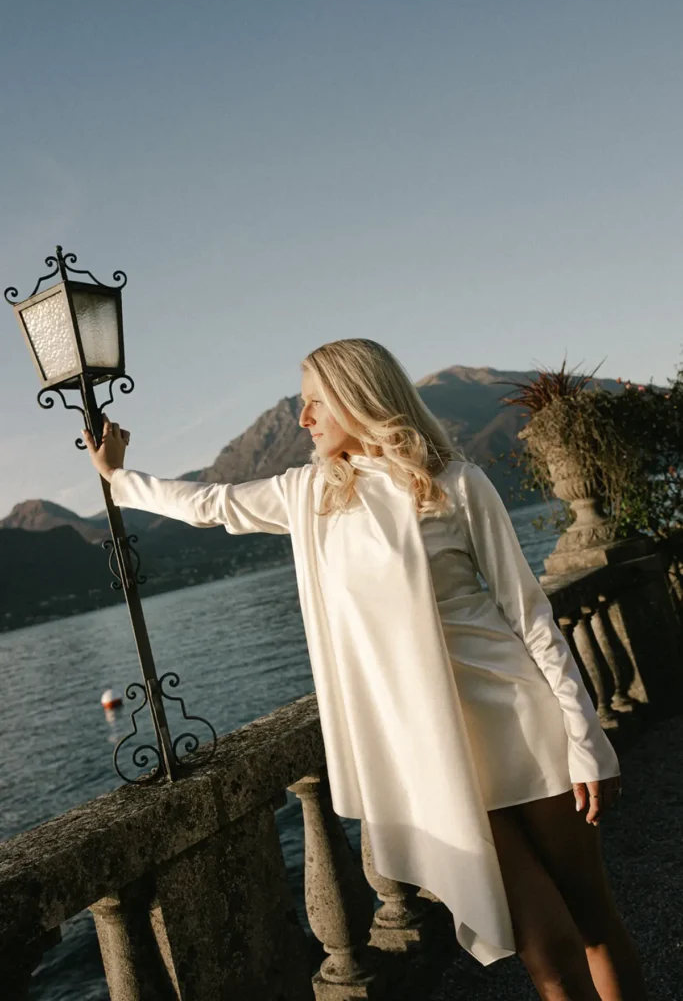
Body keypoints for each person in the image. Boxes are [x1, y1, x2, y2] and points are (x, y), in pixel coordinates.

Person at [83, 338, 646, 1001]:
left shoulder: (457, 484)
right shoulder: (312, 496)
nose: (303, 420)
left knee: (591, 921)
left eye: (314, 402)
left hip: (524, 724)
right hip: (441, 754)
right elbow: (213, 504)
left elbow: (530, 620)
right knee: (541, 948)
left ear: (359, 397)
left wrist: (585, 740)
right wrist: (121, 478)